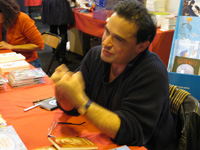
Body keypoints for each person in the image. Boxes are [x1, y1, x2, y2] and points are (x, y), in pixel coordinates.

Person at [51, 0, 177, 149]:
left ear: (141, 46)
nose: (106, 42)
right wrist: (63, 92)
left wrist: (81, 101)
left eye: (118, 39)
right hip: (105, 138)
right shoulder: (96, 56)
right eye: (107, 31)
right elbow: (71, 108)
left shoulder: (152, 72)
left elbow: (129, 132)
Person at [0, 0, 44, 68]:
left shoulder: (22, 19)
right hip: (11, 59)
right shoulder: (4, 21)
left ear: (5, 12)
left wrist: (12, 47)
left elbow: (39, 46)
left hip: (28, 62)